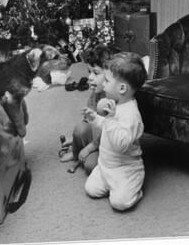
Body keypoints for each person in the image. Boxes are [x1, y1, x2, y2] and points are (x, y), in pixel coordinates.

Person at [83, 51, 147, 211]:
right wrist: (95, 119)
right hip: (106, 165)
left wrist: (110, 119)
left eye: (106, 80)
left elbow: (120, 144)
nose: (103, 84)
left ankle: (135, 184)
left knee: (119, 203)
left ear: (122, 88)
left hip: (125, 168)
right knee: (91, 189)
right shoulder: (116, 103)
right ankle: (109, 180)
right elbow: (108, 127)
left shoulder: (132, 115)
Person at [59, 45, 116, 174]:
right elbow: (87, 122)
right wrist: (76, 140)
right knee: (79, 129)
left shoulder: (114, 101)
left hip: (110, 144)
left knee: (90, 166)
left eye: (95, 72)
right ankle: (75, 153)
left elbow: (110, 132)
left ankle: (84, 151)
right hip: (97, 136)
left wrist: (90, 147)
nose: (90, 77)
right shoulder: (96, 93)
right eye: (89, 72)